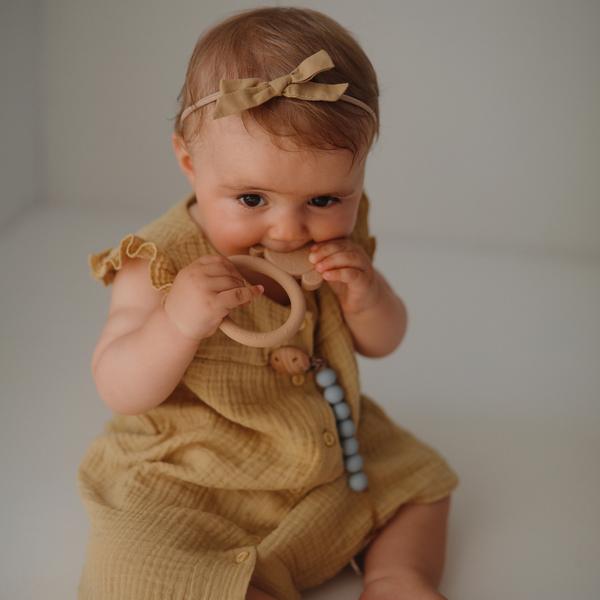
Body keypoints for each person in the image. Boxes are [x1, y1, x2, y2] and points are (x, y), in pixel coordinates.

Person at [77, 7, 459, 600]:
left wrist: (368, 294)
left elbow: (384, 341)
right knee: (135, 572)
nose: (289, 231)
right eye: (252, 198)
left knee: (421, 482)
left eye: (326, 198)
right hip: (192, 476)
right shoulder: (158, 259)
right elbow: (117, 384)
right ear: (189, 163)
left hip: (329, 448)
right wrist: (177, 323)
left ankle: (395, 576)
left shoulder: (342, 241)